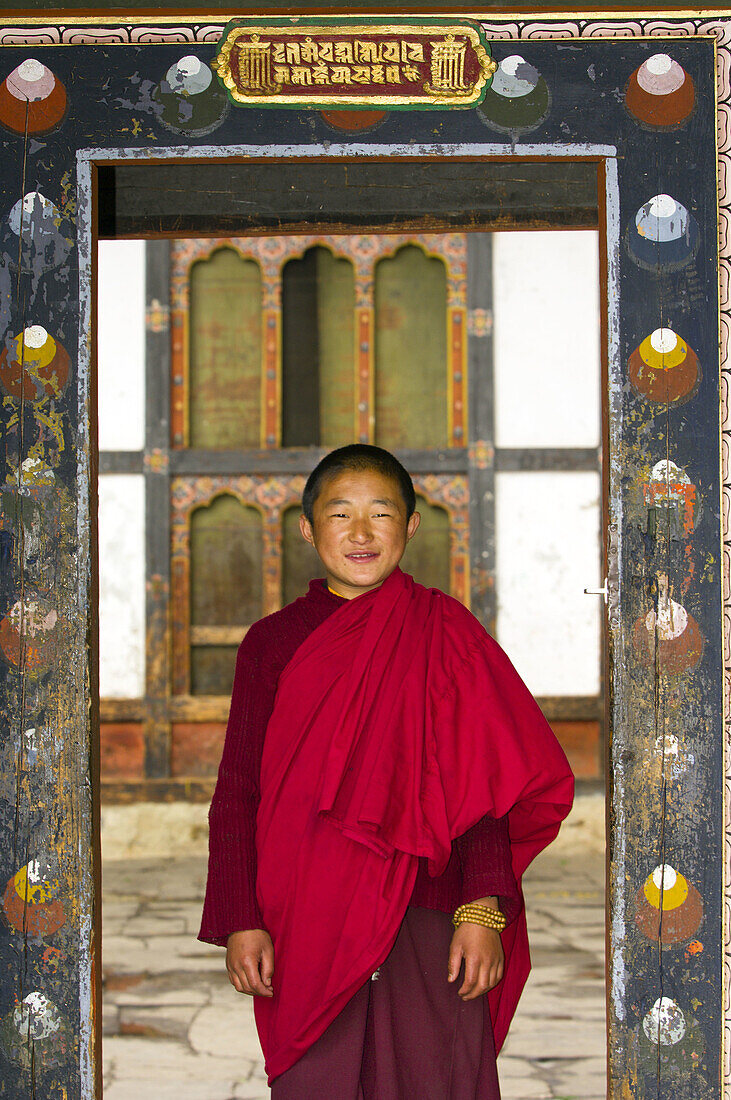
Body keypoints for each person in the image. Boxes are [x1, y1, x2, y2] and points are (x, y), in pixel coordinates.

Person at [199, 444, 574, 1098]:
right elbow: (239, 790)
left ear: (411, 526)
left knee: (436, 1076)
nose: (361, 532)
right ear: (307, 528)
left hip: (428, 906)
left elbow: (485, 786)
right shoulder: (273, 642)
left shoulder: (445, 633)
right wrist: (240, 917)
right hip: (305, 911)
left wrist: (481, 910)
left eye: (380, 513)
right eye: (340, 514)